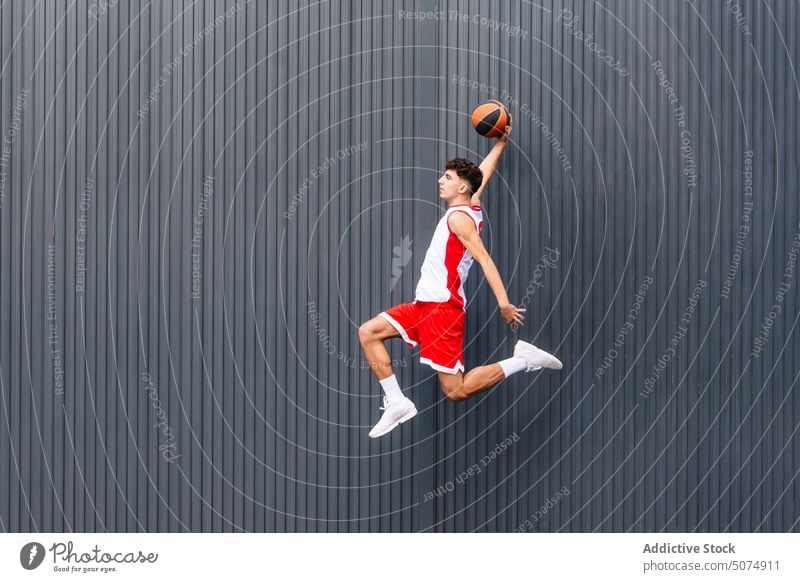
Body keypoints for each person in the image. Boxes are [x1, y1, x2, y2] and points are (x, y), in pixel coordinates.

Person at [358, 116, 562, 438]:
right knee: (369, 332)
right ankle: (397, 401)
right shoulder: (471, 207)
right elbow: (483, 176)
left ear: (461, 187)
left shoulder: (459, 220)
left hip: (443, 310)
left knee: (457, 390)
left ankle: (523, 360)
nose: (441, 180)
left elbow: (484, 258)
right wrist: (500, 144)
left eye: (447, 177)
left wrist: (505, 304)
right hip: (424, 305)